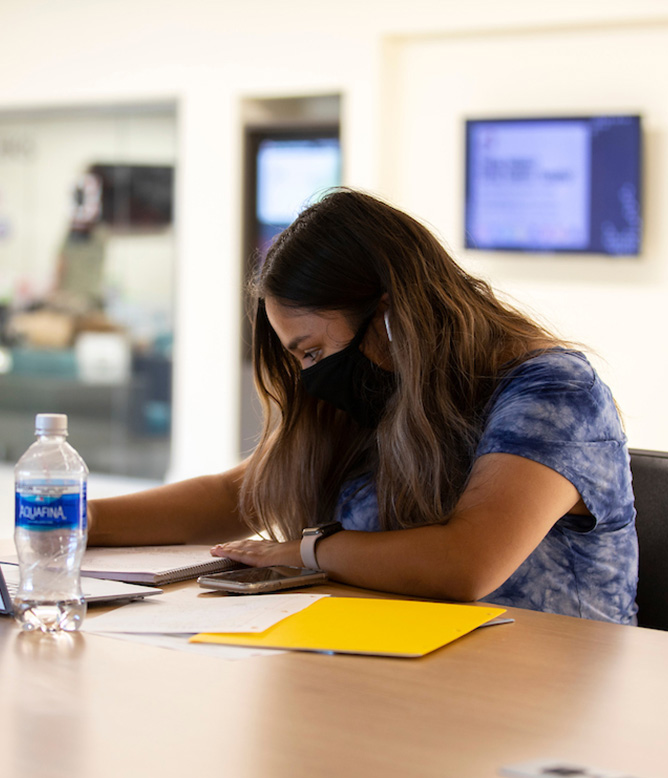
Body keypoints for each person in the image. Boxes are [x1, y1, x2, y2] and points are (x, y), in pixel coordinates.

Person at [88, 188, 638, 624]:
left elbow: (466, 563)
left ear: (393, 319)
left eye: (315, 351)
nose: (313, 375)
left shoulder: (554, 391)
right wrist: (73, 519)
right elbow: (238, 494)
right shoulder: (381, 388)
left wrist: (308, 551)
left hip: (544, 697)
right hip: (400, 673)